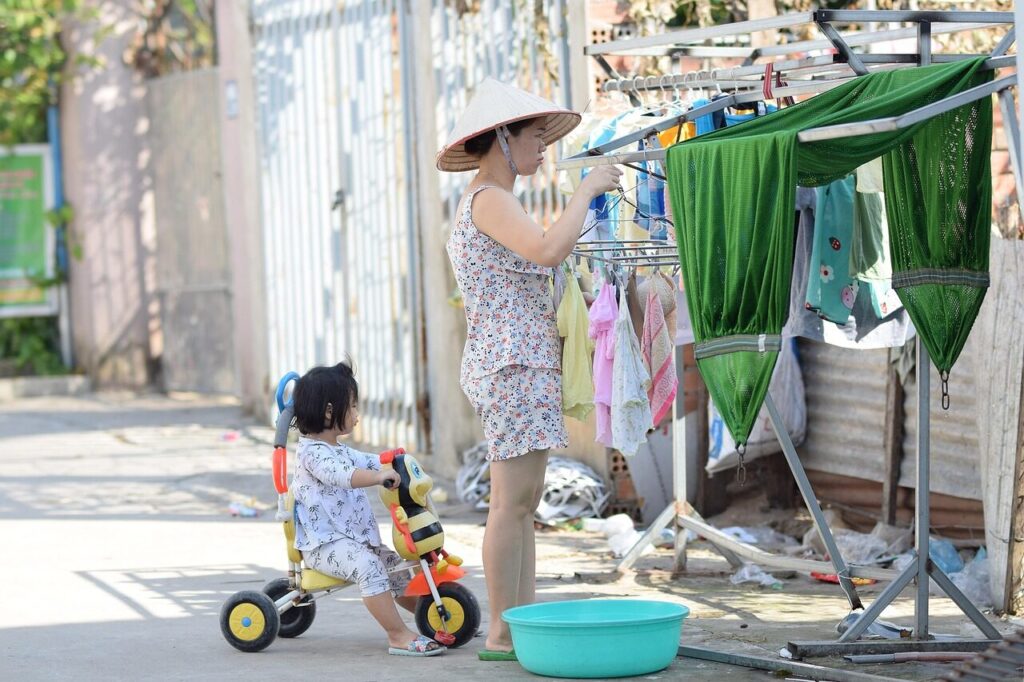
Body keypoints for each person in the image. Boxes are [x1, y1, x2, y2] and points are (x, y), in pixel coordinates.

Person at [437, 78, 622, 661]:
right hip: (512, 364)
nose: (542, 149)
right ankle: (500, 631)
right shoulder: (490, 198)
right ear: (500, 137)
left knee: (523, 504)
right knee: (511, 504)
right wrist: (586, 192)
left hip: (521, 361)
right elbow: (546, 251)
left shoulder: (497, 197)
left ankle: (523, 622)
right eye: (534, 137)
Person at [290, 362, 446, 657]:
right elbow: (343, 475)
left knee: (397, 570)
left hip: (354, 541)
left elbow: (370, 461)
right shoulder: (312, 454)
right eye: (352, 406)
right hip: (325, 545)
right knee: (370, 568)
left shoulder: (339, 449)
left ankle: (434, 616)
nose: (357, 414)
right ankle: (398, 635)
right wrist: (377, 478)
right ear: (328, 411)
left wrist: (394, 460)